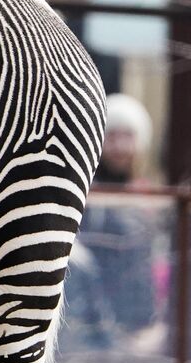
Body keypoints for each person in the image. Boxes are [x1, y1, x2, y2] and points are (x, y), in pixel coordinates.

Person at [63, 94, 157, 349]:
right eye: (112, 136)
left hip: (133, 325)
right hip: (88, 325)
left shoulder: (145, 196)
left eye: (128, 136)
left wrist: (149, 324)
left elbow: (145, 268)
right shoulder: (83, 193)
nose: (120, 146)